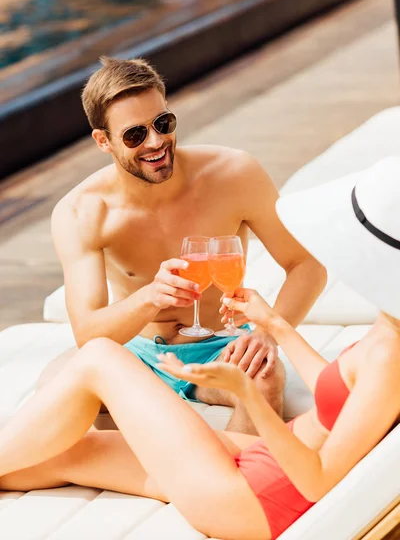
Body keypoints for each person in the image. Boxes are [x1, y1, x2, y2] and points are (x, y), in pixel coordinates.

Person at [1, 157, 399, 540]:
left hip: (251, 497)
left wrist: (248, 395)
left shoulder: (389, 358)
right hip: (265, 469)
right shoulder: (390, 330)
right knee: (71, 451)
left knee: (99, 358)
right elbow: (340, 394)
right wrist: (272, 323)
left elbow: (316, 480)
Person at [39, 56, 327, 433]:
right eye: (134, 135)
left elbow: (306, 265)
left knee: (264, 381)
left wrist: (266, 334)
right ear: (103, 141)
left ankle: (237, 480)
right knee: (53, 393)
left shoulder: (234, 174)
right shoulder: (82, 212)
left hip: (219, 345)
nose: (156, 142)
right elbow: (89, 334)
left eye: (163, 124)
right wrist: (149, 297)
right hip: (134, 352)